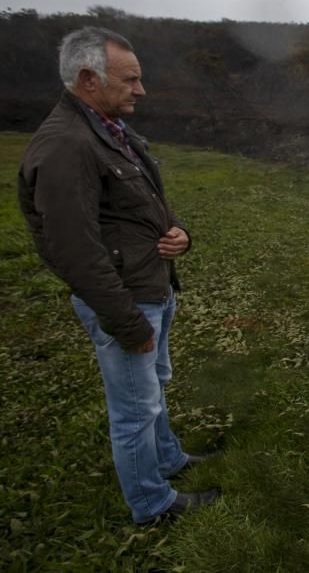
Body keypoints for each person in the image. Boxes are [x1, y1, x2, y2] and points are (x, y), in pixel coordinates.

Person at [17, 26, 220, 524]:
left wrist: (180, 234)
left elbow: (139, 206)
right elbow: (72, 250)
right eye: (130, 79)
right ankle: (151, 506)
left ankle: (168, 459)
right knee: (134, 409)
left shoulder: (107, 129)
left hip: (150, 287)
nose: (141, 90)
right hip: (127, 301)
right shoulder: (67, 145)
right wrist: (127, 324)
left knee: (151, 390)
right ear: (89, 78)